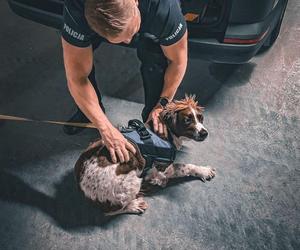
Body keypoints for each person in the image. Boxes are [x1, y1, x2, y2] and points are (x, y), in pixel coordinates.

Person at [61, 0, 188, 164]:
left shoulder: (163, 8)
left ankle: (153, 122)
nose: (128, 42)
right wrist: (105, 128)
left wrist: (162, 104)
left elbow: (178, 61)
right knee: (80, 60)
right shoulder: (76, 10)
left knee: (154, 56)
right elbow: (77, 77)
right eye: (120, 39)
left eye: (130, 33)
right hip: (94, 19)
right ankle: (88, 113)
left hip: (150, 14)